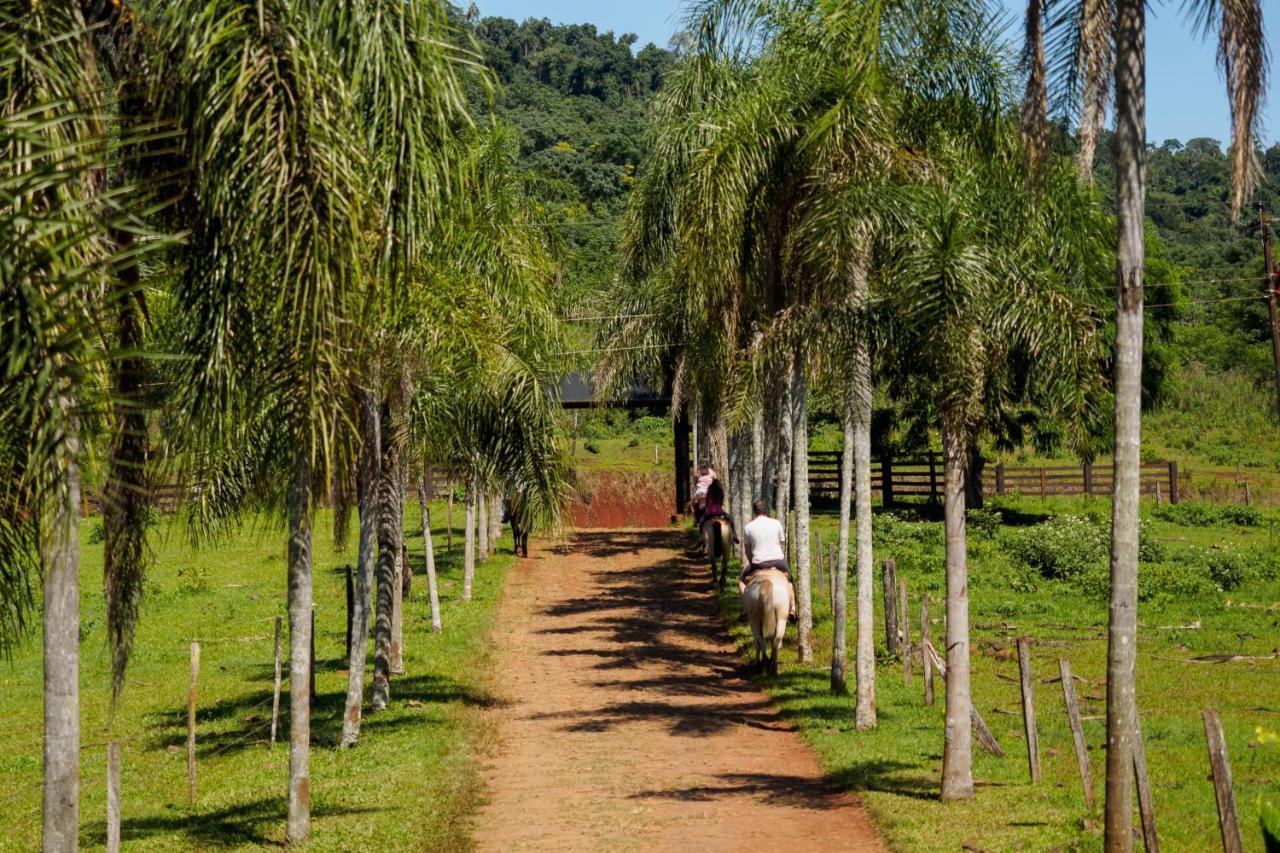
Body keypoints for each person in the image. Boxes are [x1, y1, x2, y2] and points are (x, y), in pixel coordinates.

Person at [740, 500, 795, 618]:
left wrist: (752, 563)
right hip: (778, 561)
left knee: (741, 580)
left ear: (754, 512)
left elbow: (747, 550)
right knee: (790, 580)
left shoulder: (748, 527)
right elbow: (781, 543)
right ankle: (793, 608)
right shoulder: (776, 523)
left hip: (758, 562)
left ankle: (745, 609)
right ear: (766, 511)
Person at [699, 479, 737, 543]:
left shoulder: (709, 490)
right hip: (719, 512)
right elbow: (721, 502)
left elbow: (707, 501)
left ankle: (700, 537)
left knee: (701, 520)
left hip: (710, 512)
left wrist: (706, 507)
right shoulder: (720, 491)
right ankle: (734, 535)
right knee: (731, 518)